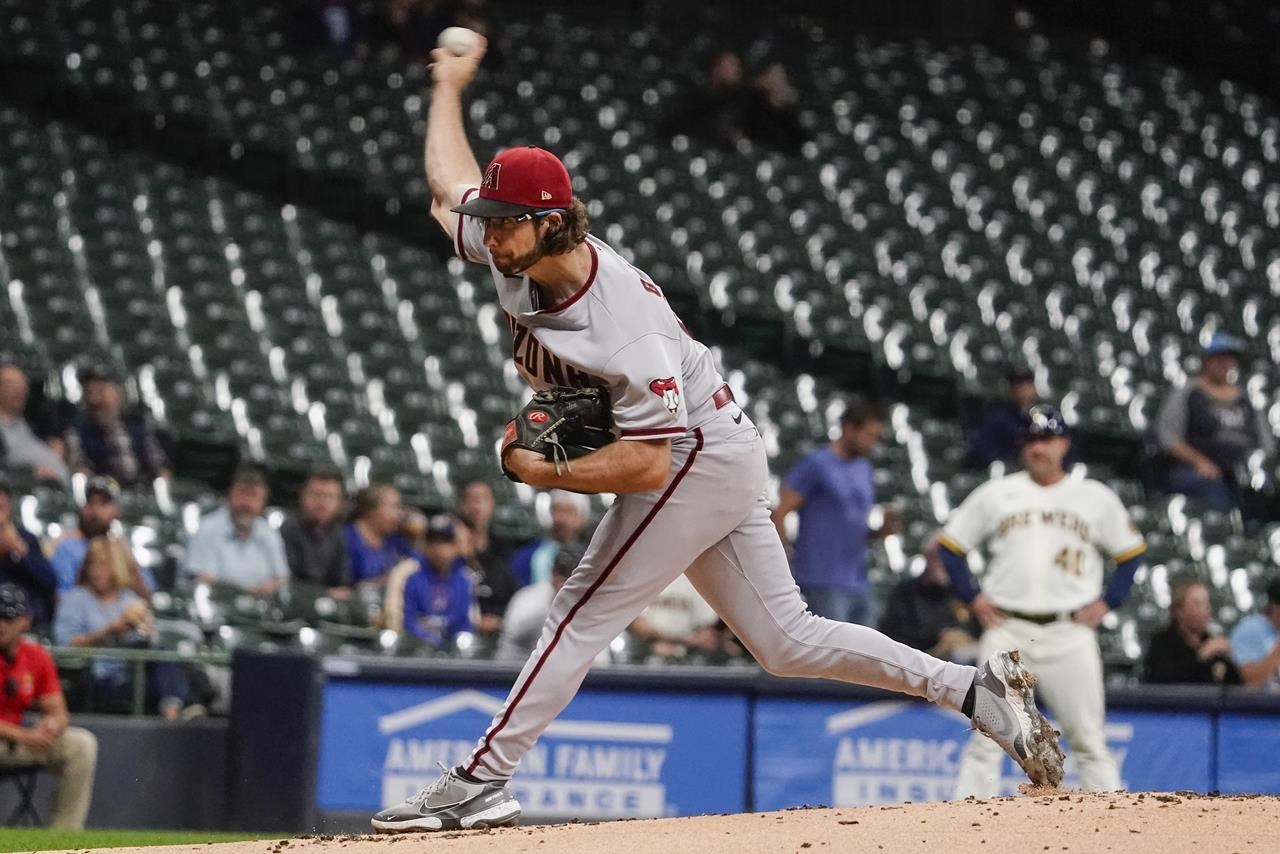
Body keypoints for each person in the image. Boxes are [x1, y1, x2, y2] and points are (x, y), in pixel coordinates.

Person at [369, 39, 1061, 832]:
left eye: (504, 223)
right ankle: (973, 690)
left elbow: (648, 463)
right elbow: (442, 189)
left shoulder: (623, 326)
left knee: (577, 611)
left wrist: (540, 470)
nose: (487, 234)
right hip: (719, 444)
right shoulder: (517, 252)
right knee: (785, 640)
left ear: (552, 223)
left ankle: (481, 781)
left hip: (692, 453)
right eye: (488, 221)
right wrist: (450, 86)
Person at [938, 404, 1145, 797]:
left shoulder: (1093, 496)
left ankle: (1117, 824)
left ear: (1064, 444)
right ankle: (964, 827)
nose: (1039, 447)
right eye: (1031, 439)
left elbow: (1131, 554)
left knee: (1088, 739)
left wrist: (1108, 603)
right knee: (986, 738)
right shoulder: (998, 493)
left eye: (1047, 438)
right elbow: (950, 546)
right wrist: (974, 597)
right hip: (1007, 630)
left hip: (1070, 631)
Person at [770, 398, 897, 626]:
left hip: (859, 580)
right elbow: (780, 512)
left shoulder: (864, 468)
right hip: (821, 578)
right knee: (835, 656)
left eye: (875, 437)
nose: (872, 443)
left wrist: (882, 530)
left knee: (868, 654)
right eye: (868, 435)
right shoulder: (817, 464)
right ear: (848, 428)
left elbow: (853, 525)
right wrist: (786, 560)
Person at [53, 537, 192, 717]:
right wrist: (107, 632)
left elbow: (148, 642)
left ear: (117, 568)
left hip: (133, 673)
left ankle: (173, 711)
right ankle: (178, 712)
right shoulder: (74, 599)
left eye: (103, 566)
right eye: (92, 566)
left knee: (163, 655)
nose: (96, 573)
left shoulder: (130, 600)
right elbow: (64, 644)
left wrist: (144, 631)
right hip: (97, 677)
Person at [0, 584, 98, 828]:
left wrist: (52, 725)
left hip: (19, 741)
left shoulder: (36, 656)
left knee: (81, 744)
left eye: (8, 617)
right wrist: (24, 735)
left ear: (25, 621)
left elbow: (58, 710)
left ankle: (64, 836)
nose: (1, 624)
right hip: (14, 736)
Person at [1154, 333, 1274, 512]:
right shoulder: (1188, 392)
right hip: (1196, 469)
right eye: (1218, 358)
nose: (1223, 363)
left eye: (1228, 358)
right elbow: (1167, 436)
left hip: (1242, 472)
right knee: (1215, 490)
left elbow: (1266, 444)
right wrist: (1200, 462)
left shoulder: (1245, 400)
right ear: (1206, 361)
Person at [181, 465, 289, 594]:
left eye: (253, 496)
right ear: (229, 496)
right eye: (242, 494)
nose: (247, 503)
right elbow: (200, 577)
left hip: (259, 608)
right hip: (214, 606)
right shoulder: (207, 529)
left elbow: (281, 578)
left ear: (263, 503)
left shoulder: (269, 534)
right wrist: (244, 594)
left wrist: (265, 590)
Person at [64, 365, 170, 488]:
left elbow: (158, 464)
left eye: (101, 392)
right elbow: (80, 470)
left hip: (143, 491)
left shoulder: (136, 425)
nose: (95, 401)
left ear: (117, 394)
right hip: (103, 494)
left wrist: (159, 481)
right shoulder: (78, 431)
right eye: (90, 393)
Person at [879, 535, 980, 664]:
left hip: (966, 658)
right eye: (938, 558)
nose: (944, 565)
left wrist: (962, 636)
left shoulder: (965, 593)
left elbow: (979, 627)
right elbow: (892, 635)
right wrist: (939, 636)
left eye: (951, 560)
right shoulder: (906, 592)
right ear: (927, 558)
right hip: (921, 662)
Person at [48, 476, 154, 595]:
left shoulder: (123, 547)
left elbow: (147, 594)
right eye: (90, 502)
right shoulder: (66, 547)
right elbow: (63, 598)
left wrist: (128, 562)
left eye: (103, 504)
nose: (95, 510)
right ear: (81, 509)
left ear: (116, 510)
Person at [385, 514, 475, 648]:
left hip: (452, 651)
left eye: (445, 541)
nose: (438, 548)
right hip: (417, 648)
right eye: (433, 541)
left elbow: (464, 623)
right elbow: (407, 622)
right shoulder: (412, 578)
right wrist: (430, 639)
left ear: (454, 546)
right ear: (425, 545)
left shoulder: (463, 580)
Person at [1143, 579, 1241, 685]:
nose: (1203, 610)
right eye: (1196, 604)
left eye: (1206, 604)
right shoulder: (1162, 642)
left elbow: (1235, 686)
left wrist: (1227, 659)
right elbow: (1165, 681)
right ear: (1179, 611)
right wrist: (1202, 656)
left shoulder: (1211, 642)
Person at [455, 477, 517, 633]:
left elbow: (513, 596)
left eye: (483, 499)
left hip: (496, 631)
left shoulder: (502, 550)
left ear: (493, 504)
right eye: (472, 499)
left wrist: (499, 621)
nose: (477, 506)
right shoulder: (448, 548)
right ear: (461, 505)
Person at [496, 545, 578, 660]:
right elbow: (512, 637)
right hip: (519, 667)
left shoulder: (590, 603)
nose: (567, 585)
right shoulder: (529, 599)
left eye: (573, 580)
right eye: (563, 578)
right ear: (552, 573)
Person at [280, 466, 351, 594]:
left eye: (329, 496)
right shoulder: (288, 531)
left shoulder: (337, 534)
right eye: (316, 494)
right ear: (302, 496)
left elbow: (341, 581)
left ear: (339, 502)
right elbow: (288, 582)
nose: (322, 502)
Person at [657, 51, 749, 149]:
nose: (736, 70)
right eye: (730, 66)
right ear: (716, 68)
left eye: (737, 66)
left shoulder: (740, 102)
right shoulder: (696, 96)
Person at [0, 475, 57, 629]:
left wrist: (21, 551)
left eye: (2, 508)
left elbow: (50, 580)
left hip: (28, 621)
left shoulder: (25, 538)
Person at [0, 361, 69, 485]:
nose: (20, 390)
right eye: (12, 384)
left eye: (22, 385)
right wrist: (29, 475)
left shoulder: (27, 423)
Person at [626, 573, 724, 659]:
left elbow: (707, 631)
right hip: (642, 650)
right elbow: (636, 623)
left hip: (689, 653)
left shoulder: (696, 576)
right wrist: (662, 640)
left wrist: (678, 644)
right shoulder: (645, 575)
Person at [509, 489, 589, 588]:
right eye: (556, 510)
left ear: (582, 519)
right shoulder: (525, 557)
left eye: (569, 512)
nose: (560, 518)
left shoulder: (590, 558)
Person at [966, 366, 1041, 469]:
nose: (1021, 389)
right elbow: (982, 452)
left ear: (1034, 387)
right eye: (1016, 385)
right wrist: (1015, 460)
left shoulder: (1048, 415)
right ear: (1010, 389)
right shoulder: (997, 418)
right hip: (1011, 473)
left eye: (1026, 384)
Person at [345, 483, 415, 585]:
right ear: (371, 510)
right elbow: (343, 586)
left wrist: (416, 539)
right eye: (393, 507)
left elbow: (415, 565)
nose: (399, 514)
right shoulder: (346, 539)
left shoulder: (395, 539)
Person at [1228, 576, 1280, 690]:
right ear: (1275, 606)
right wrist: (1276, 656)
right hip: (1259, 705)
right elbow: (1248, 681)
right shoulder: (1249, 631)